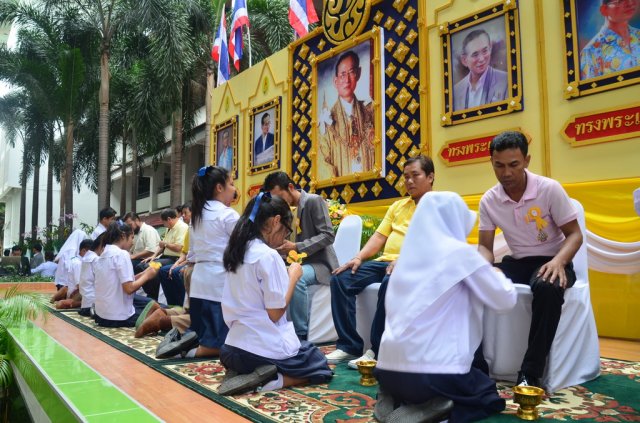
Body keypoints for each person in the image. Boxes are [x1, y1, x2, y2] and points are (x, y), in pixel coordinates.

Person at [374, 191, 517, 422]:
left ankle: (395, 399)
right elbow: (504, 300)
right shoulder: (458, 253)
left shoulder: (405, 258)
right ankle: (437, 411)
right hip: (432, 375)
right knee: (486, 394)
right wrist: (496, 273)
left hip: (387, 372)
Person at [477, 130, 583, 387]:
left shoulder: (549, 189)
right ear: (491, 163)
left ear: (526, 160)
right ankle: (474, 365)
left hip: (553, 260)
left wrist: (558, 261)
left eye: (513, 165)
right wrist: (486, 268)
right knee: (470, 282)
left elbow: (575, 235)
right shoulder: (490, 200)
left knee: (547, 286)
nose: (506, 173)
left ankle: (530, 373)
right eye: (498, 165)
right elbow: (485, 247)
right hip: (518, 262)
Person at [217, 192, 333, 396]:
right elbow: (275, 313)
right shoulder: (268, 256)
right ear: (276, 221)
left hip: (231, 349)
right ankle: (270, 380)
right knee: (318, 362)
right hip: (259, 350)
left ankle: (244, 372)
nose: (284, 238)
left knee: (302, 349)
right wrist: (293, 277)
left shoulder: (236, 250)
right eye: (286, 231)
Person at [326, 156, 435, 367]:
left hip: (415, 265)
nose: (409, 181)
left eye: (415, 176)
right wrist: (358, 257)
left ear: (430, 177)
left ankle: (376, 350)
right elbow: (378, 238)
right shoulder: (398, 206)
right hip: (385, 262)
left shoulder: (438, 205)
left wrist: (405, 261)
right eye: (406, 177)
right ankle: (348, 346)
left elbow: (433, 243)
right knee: (341, 278)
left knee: (389, 282)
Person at [155, 166, 238, 359]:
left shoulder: (198, 217)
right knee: (222, 344)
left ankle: (185, 342)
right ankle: (184, 352)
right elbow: (244, 246)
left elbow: (191, 254)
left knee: (203, 333)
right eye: (231, 184)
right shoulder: (227, 215)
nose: (234, 189)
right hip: (219, 282)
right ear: (219, 187)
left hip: (200, 282)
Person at [263, 171, 339, 340]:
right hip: (298, 262)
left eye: (280, 196)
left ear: (290, 187)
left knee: (296, 277)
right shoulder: (285, 210)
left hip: (321, 264)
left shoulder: (313, 200)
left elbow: (328, 235)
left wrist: (297, 247)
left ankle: (300, 334)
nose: (278, 202)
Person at [318, 50, 375, 178]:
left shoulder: (371, 112)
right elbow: (323, 164)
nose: (347, 80)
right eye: (343, 75)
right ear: (335, 81)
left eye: (351, 72)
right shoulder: (325, 122)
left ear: (358, 74)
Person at [93, 222, 154, 327]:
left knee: (148, 302)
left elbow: (119, 281)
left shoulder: (102, 256)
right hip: (118, 317)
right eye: (131, 237)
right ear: (123, 236)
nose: (132, 242)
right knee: (156, 309)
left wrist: (143, 274)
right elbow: (129, 288)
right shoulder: (121, 254)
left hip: (101, 315)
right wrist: (147, 276)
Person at [580, 0, 640, 79]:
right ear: (604, 9)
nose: (629, 4)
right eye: (620, 1)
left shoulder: (638, 35)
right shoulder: (590, 51)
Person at [453, 29, 508, 111]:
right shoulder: (456, 91)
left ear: (490, 48)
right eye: (475, 55)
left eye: (485, 51)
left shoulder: (506, 80)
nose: (482, 59)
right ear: (464, 60)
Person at [140, 208, 189, 299]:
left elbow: (179, 248)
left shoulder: (182, 227)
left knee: (150, 267)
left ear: (169, 219)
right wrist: (153, 256)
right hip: (165, 257)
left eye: (164, 222)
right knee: (142, 265)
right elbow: (161, 245)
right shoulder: (169, 228)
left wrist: (165, 244)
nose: (164, 225)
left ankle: (153, 296)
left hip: (174, 258)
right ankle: (151, 293)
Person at [54, 239, 93, 310]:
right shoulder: (78, 263)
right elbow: (79, 285)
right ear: (83, 251)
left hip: (75, 290)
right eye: (91, 253)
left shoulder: (78, 261)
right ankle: (78, 303)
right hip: (76, 293)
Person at [52, 229, 88, 300]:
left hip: (65, 282)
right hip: (65, 283)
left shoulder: (69, 248)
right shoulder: (72, 250)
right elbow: (70, 267)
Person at [78, 236, 104, 317]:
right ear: (100, 246)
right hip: (92, 303)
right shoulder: (96, 259)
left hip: (85, 304)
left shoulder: (85, 258)